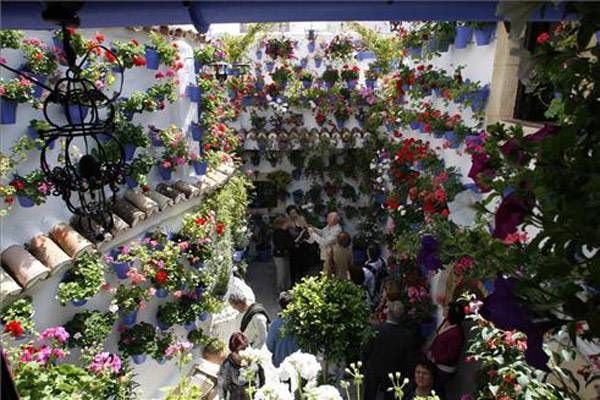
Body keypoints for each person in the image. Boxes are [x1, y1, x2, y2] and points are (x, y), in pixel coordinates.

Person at [363, 300, 416, 400]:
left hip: (374, 371)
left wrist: (366, 365)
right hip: (394, 373)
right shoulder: (407, 335)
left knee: (370, 395)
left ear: (388, 313)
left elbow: (366, 350)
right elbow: (408, 360)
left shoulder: (376, 330)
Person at [426, 301, 466, 398]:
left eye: (446, 309)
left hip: (444, 369)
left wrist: (435, 358)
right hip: (436, 364)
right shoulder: (445, 322)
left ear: (451, 313)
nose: (444, 309)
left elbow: (451, 356)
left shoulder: (457, 333)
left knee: (436, 390)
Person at [266, 291, 299, 367]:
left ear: (280, 306)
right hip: (298, 366)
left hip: (280, 367)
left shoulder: (275, 325)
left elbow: (269, 348)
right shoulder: (300, 324)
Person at [218, 333, 250, 400]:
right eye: (241, 349)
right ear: (233, 350)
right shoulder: (227, 366)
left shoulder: (249, 358)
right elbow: (222, 388)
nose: (244, 351)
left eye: (245, 348)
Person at [286, 205, 311, 283]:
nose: (293, 214)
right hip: (292, 246)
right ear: (288, 214)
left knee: (302, 263)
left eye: (294, 212)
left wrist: (305, 229)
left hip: (302, 245)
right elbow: (289, 233)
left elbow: (307, 229)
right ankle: (293, 282)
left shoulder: (301, 219)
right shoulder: (288, 221)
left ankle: (302, 280)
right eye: (291, 213)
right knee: (293, 264)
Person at [272, 216, 293, 292]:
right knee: (281, 272)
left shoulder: (286, 231)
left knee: (287, 271)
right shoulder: (277, 233)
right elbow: (281, 244)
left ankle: (287, 287)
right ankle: (280, 289)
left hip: (285, 254)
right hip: (279, 255)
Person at [364, 244, 388, 310]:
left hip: (371, 299)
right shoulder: (383, 261)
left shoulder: (366, 270)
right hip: (382, 295)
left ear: (368, 253)